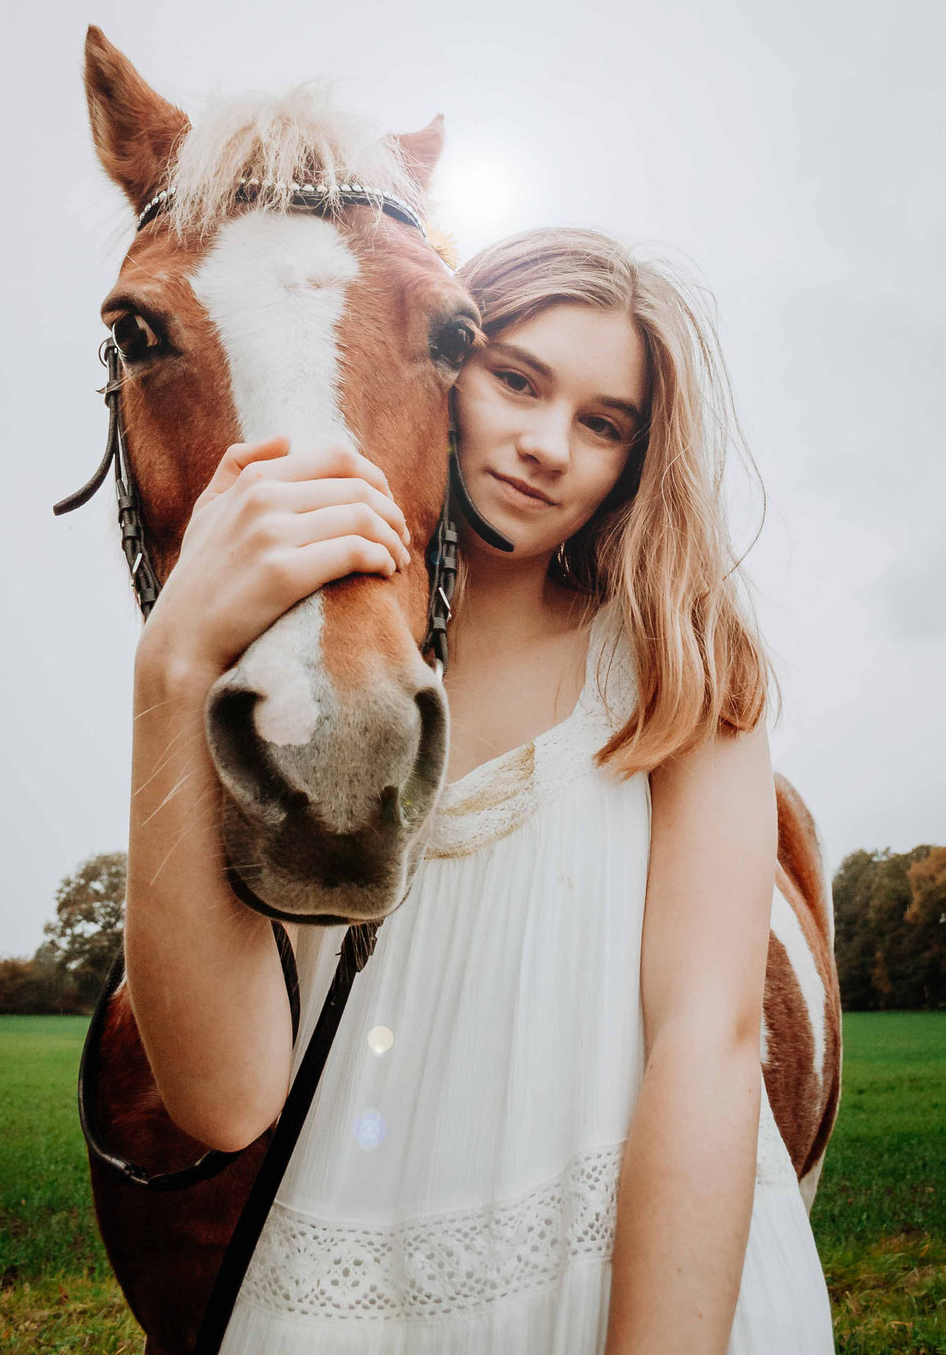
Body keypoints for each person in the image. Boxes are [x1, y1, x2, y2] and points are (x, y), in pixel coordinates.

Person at [126, 226, 837, 1353]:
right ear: (443, 365)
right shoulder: (307, 693)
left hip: (614, 1286)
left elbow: (710, 1035)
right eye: (517, 380)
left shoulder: (679, 670)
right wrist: (169, 669)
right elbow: (224, 1100)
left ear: (633, 462)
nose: (548, 445)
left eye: (603, 424)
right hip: (345, 1300)